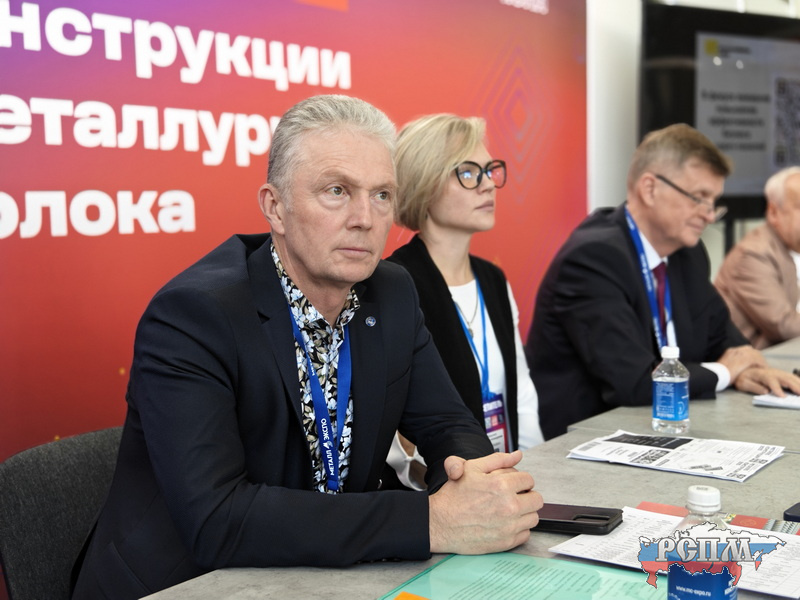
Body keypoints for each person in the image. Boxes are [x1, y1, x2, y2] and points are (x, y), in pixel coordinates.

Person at [71, 95, 542, 600]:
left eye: (382, 195)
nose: (365, 218)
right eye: (337, 191)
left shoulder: (393, 292)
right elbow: (217, 520)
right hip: (188, 583)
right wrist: (430, 520)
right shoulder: (194, 315)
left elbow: (446, 422)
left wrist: (473, 482)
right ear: (275, 207)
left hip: (326, 575)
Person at [526, 123, 800, 440]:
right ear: (650, 189)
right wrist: (725, 372)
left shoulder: (687, 253)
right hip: (587, 439)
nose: (710, 215)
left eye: (714, 201)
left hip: (663, 426)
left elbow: (725, 338)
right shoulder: (593, 258)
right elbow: (632, 382)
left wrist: (750, 369)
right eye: (699, 198)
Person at [384, 114, 543, 489]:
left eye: (489, 170)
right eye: (469, 173)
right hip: (440, 489)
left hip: (507, 482)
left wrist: (536, 470)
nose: (488, 185)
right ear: (426, 183)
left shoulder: (493, 279)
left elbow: (521, 393)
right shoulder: (393, 284)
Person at [714, 167, 800, 349]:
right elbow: (784, 326)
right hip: (751, 362)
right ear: (774, 212)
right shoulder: (753, 253)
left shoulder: (782, 249)